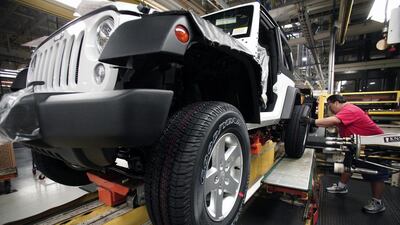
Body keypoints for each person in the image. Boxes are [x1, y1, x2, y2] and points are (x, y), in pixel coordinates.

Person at [304, 94, 387, 214]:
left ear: (336, 102)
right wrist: (315, 123)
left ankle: (378, 202)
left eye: (330, 105)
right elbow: (331, 123)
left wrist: (312, 121)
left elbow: (333, 120)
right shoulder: (344, 112)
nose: (330, 109)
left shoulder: (350, 109)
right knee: (348, 165)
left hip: (373, 146)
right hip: (355, 145)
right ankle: (341, 187)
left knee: (376, 175)